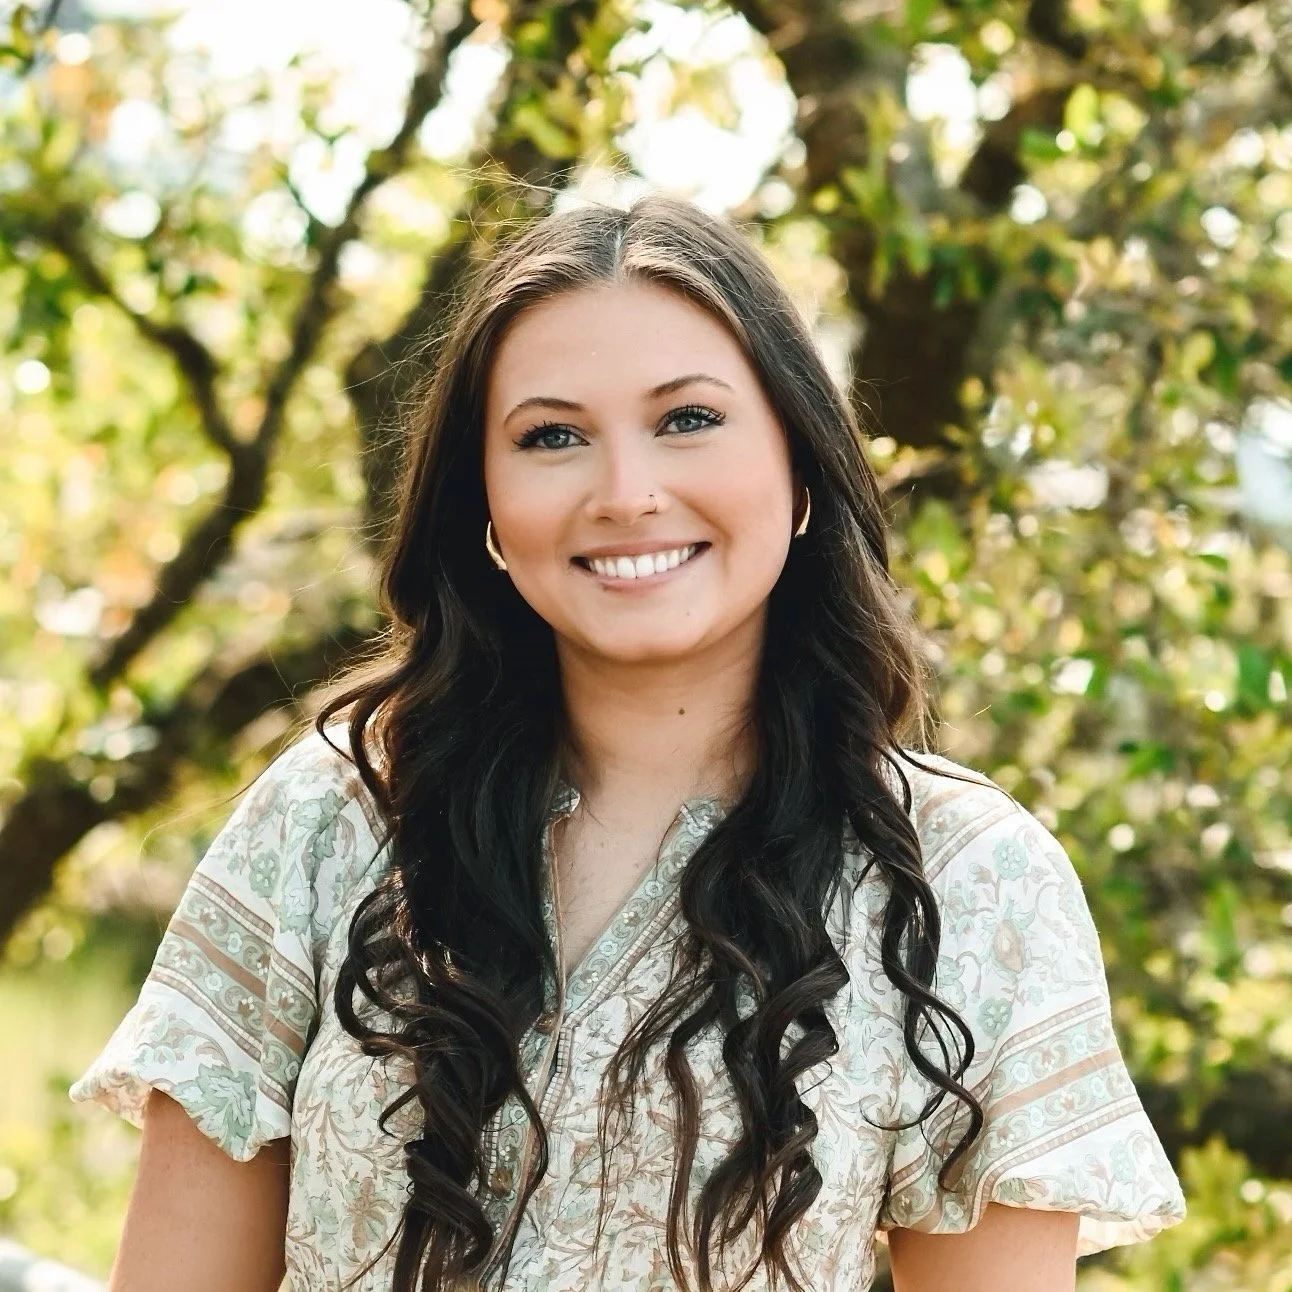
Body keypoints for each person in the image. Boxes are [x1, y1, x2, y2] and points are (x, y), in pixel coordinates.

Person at [72, 193, 1185, 1292]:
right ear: (484, 506)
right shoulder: (334, 816)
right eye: (551, 436)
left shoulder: (969, 878)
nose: (625, 493)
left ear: (800, 465)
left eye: (687, 419)